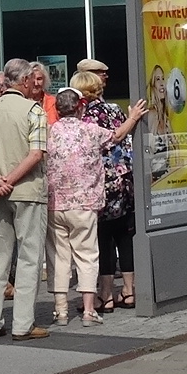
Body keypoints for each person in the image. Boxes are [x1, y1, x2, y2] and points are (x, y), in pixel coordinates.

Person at [0, 59, 52, 340]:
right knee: (29, 258)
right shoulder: (34, 110)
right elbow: (36, 153)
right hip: (27, 191)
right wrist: (9, 180)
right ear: (26, 80)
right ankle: (22, 325)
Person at [67, 63, 146, 312]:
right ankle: (129, 291)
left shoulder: (86, 117)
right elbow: (124, 138)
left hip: (101, 182)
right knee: (125, 234)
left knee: (104, 238)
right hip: (124, 179)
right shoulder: (113, 109)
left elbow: (104, 142)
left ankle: (105, 294)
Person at [44, 97, 109, 325]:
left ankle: (61, 311)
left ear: (58, 109)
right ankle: (89, 311)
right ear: (79, 108)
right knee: (87, 255)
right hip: (85, 203)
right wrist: (132, 118)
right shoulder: (91, 130)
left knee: (58, 257)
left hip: (55, 203)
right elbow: (117, 136)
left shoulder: (49, 131)